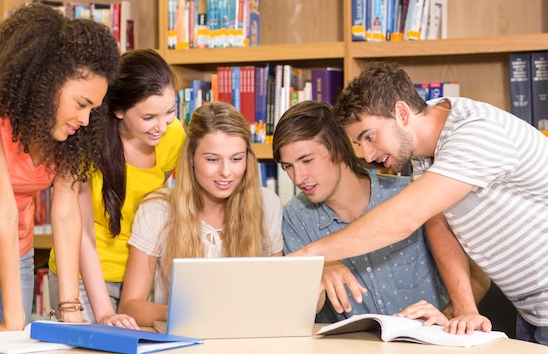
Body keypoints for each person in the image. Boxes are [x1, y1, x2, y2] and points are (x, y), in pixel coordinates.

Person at [292, 61, 548, 345]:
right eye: (359, 143)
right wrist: (464, 310)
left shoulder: (475, 133)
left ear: (402, 113)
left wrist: (307, 255)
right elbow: (438, 223)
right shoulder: (426, 144)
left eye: (370, 136)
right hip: (531, 311)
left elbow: (404, 219)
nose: (366, 154)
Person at [0, 3, 120, 347]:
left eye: (94, 109)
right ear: (48, 83)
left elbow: (66, 212)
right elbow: (3, 204)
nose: (86, 120)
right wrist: (15, 318)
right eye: (81, 103)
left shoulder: (68, 135)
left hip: (16, 256)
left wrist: (70, 306)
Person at [273, 100, 491, 333]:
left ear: (338, 149)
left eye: (307, 161)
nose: (298, 177)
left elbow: (479, 277)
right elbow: (294, 312)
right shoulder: (295, 217)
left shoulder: (411, 196)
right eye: (288, 167)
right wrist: (314, 274)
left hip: (428, 345)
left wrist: (448, 314)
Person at [47, 49, 186, 328]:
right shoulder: (85, 142)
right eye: (149, 117)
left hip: (139, 278)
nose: (162, 126)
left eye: (170, 111)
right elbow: (82, 230)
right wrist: (104, 313)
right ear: (119, 110)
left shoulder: (174, 137)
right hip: (82, 278)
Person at [117, 101, 284, 326]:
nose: (226, 172)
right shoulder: (157, 210)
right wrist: (181, 312)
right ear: (191, 159)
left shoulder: (267, 205)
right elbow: (130, 307)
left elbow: (279, 295)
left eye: (236, 159)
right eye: (212, 159)